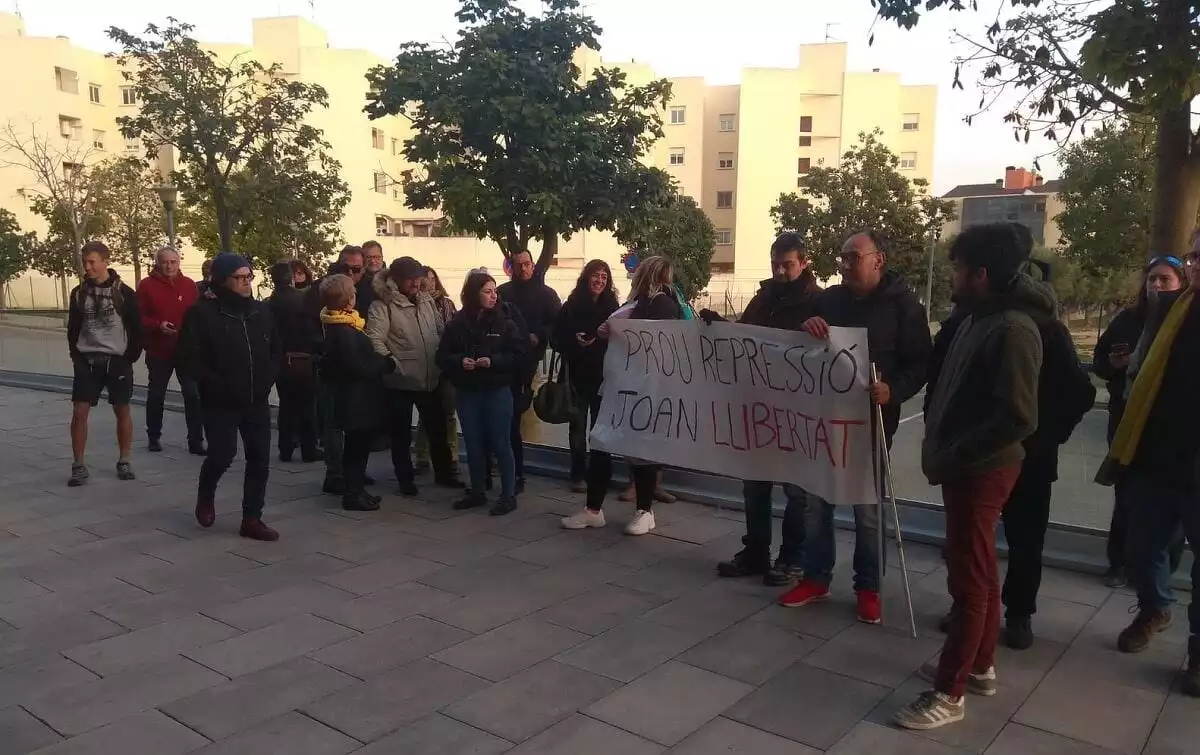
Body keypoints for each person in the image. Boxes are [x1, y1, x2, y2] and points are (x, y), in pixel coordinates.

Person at [891, 223, 1046, 731]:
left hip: (980, 470)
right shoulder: (978, 317)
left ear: (981, 274)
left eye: (958, 268)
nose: (952, 276)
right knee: (979, 571)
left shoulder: (1012, 329)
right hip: (966, 467)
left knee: (969, 582)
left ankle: (949, 691)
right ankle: (979, 667)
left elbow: (1018, 416)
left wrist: (958, 453)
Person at [778, 230, 932, 625]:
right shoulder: (828, 300)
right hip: (825, 419)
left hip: (873, 423)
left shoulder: (905, 307)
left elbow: (921, 364)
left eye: (852, 257)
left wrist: (893, 389)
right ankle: (816, 577)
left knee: (867, 510)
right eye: (842, 258)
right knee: (817, 503)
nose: (844, 264)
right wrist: (807, 324)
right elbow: (800, 346)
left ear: (878, 260)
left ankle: (868, 587)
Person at [1098, 239, 1200, 698]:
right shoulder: (1169, 310)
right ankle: (1155, 606)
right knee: (1139, 546)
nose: (1196, 266)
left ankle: (1198, 653)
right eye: (1195, 257)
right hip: (1156, 453)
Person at [700, 232, 818, 586]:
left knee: (797, 490)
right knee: (755, 485)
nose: (781, 271)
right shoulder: (763, 298)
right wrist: (718, 328)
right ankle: (756, 551)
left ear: (804, 263)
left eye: (788, 265)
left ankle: (793, 558)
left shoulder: (820, 302)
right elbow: (744, 338)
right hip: (759, 408)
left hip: (798, 413)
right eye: (776, 264)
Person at [995, 269, 1094, 650]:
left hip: (1030, 459)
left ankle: (1019, 613)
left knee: (1025, 540)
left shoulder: (1049, 333)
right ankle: (974, 607)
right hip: (984, 455)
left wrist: (1046, 436)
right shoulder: (978, 323)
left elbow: (1080, 393)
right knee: (976, 537)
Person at [560, 255, 682, 536]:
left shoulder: (659, 303)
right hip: (623, 384)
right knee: (604, 442)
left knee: (638, 448)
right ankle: (595, 509)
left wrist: (613, 332)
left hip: (641, 386)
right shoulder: (641, 303)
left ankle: (643, 511)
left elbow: (651, 343)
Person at [1093, 256, 1188, 587]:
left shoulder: (1185, 321)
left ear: (1180, 283)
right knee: (1127, 494)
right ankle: (1119, 564)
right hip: (1126, 419)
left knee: (1171, 507)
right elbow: (1100, 363)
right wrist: (1116, 365)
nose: (1156, 285)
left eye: (1164, 279)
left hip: (1172, 430)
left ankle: (1160, 576)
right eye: (1152, 279)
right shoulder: (1127, 320)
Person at [178, 252, 281, 542]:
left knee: (260, 459)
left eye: (249, 276)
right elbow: (190, 359)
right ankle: (206, 493)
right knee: (222, 454)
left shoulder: (261, 312)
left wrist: (268, 376)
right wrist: (215, 383)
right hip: (220, 400)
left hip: (256, 399)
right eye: (239, 277)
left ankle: (252, 518)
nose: (246, 282)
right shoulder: (201, 313)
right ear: (222, 280)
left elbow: (275, 349)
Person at [366, 256, 462, 494]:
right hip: (400, 379)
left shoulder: (427, 301)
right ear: (397, 280)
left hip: (430, 376)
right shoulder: (382, 304)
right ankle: (405, 479)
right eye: (411, 279)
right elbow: (374, 338)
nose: (416, 283)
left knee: (438, 429)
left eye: (418, 278)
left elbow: (440, 330)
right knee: (400, 434)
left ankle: (444, 474)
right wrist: (390, 362)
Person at [437, 270, 527, 516]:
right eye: (487, 291)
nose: (493, 296)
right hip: (468, 391)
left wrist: (494, 361)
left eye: (494, 291)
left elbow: (519, 355)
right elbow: (442, 356)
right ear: (474, 294)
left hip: (497, 390)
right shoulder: (457, 323)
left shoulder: (504, 322)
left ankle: (508, 495)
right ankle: (477, 490)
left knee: (500, 442)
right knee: (473, 443)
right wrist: (459, 361)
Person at [66, 241, 142, 487]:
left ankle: (124, 460)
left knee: (122, 410)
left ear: (105, 261)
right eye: (85, 262)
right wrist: (76, 356)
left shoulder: (124, 292)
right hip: (87, 360)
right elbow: (73, 328)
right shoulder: (79, 293)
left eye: (92, 262)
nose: (87, 267)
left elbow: (137, 328)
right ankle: (78, 465)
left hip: (116, 360)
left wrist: (128, 357)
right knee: (80, 412)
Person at [318, 274, 396, 512]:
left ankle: (357, 489)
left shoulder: (341, 324)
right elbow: (358, 366)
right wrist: (384, 364)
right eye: (352, 291)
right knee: (356, 446)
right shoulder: (344, 331)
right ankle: (353, 493)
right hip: (355, 398)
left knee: (357, 445)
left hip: (353, 396)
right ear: (348, 299)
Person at [552, 259, 620, 493]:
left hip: (603, 377)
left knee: (602, 428)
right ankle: (578, 474)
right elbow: (556, 338)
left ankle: (601, 473)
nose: (599, 280)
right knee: (578, 427)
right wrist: (574, 339)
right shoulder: (571, 305)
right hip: (577, 377)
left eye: (604, 276)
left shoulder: (613, 307)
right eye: (596, 275)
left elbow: (620, 341)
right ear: (586, 277)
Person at [498, 249, 562, 493]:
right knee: (507, 421)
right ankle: (509, 468)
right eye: (518, 265)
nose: (523, 268)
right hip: (504, 366)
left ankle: (520, 471)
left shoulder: (547, 294)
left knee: (523, 419)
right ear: (511, 268)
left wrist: (540, 335)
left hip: (530, 366)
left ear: (533, 266)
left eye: (526, 264)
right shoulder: (503, 293)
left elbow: (558, 322)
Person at [136, 246, 205, 455]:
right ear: (158, 263)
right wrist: (158, 325)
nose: (169, 266)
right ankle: (154, 436)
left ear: (178, 262)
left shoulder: (189, 285)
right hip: (159, 350)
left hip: (186, 350)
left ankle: (196, 440)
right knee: (157, 394)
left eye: (173, 262)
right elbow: (139, 316)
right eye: (165, 262)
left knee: (193, 395)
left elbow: (197, 315)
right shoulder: (146, 286)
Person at [269, 260, 321, 463]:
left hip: (281, 359)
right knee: (307, 405)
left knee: (287, 406)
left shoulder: (270, 302)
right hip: (302, 358)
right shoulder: (301, 300)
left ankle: (286, 448)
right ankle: (309, 449)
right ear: (290, 278)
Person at [414, 266, 460, 477]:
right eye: (426, 279)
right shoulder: (415, 304)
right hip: (426, 364)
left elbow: (454, 333)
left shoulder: (446, 304)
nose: (430, 283)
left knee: (449, 413)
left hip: (447, 365)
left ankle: (452, 458)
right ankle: (422, 456)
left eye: (433, 279)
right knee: (427, 414)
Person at [358, 240, 384, 317]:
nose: (373, 261)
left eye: (376, 257)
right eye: (369, 257)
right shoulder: (356, 280)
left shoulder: (391, 280)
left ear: (382, 257)